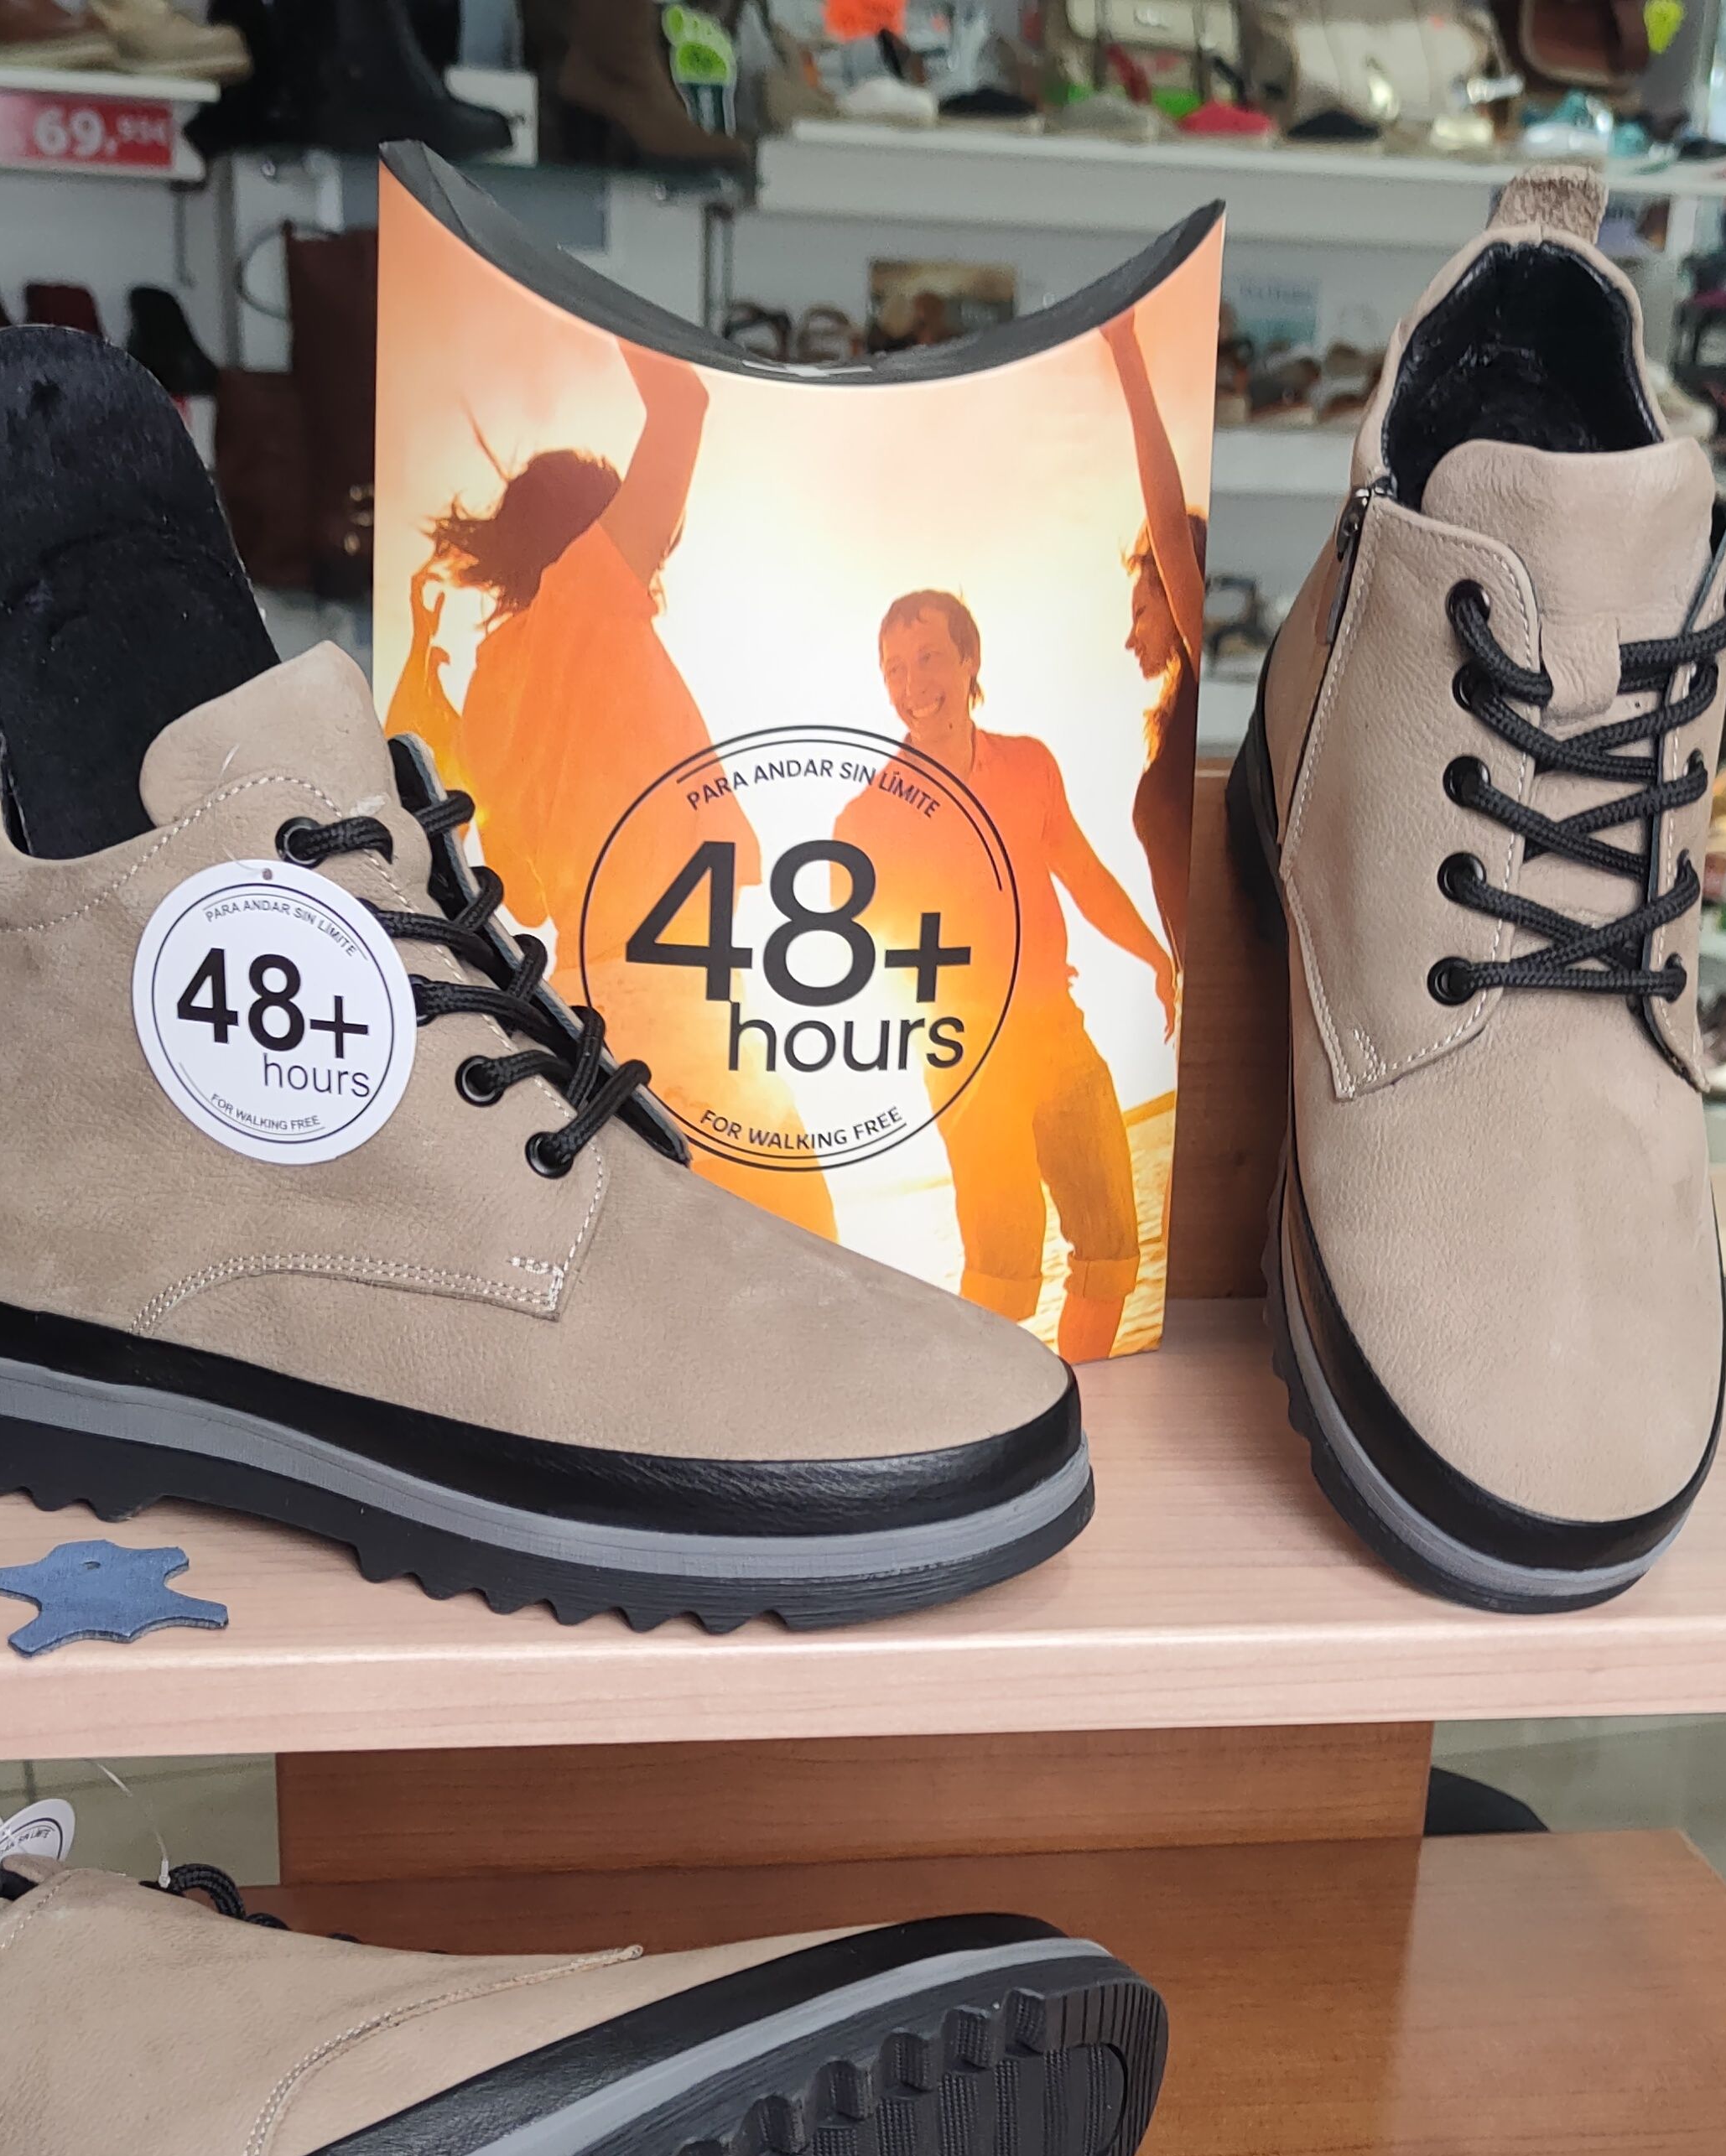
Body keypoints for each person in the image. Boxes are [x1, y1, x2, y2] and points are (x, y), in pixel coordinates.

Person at [385, 344, 834, 1235]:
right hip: (677, 989)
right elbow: (683, 405)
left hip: (589, 1005)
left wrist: (418, 669)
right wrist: (619, 310)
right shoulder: (588, 590)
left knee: (689, 1266)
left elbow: (511, 880)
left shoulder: (493, 683)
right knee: (814, 1255)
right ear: (592, 525)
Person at [837, 589, 1177, 1364]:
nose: (912, 684)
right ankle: (974, 1415)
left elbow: (1083, 875)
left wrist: (1154, 955)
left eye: (929, 657)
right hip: (967, 1056)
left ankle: (1080, 1401)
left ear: (969, 660)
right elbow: (858, 959)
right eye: (894, 669)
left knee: (1111, 1252)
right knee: (1003, 1276)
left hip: (1059, 1032)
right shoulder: (866, 819)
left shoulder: (1029, 765)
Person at [1105, 307, 1205, 955]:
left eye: (1141, 612)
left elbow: (1167, 524)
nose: (1130, 637)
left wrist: (1123, 345)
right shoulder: (1175, 719)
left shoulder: (1199, 671)